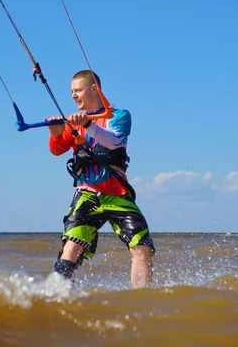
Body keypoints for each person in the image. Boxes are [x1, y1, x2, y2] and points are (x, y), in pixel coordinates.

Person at [45, 69, 155, 289]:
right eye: (71, 92)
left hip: (118, 194)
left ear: (94, 89)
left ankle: (141, 300)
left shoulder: (119, 115)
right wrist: (56, 133)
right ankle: (57, 294)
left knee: (141, 247)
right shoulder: (73, 122)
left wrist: (87, 124)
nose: (73, 96)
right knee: (71, 247)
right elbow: (58, 150)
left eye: (78, 90)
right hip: (87, 194)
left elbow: (114, 141)